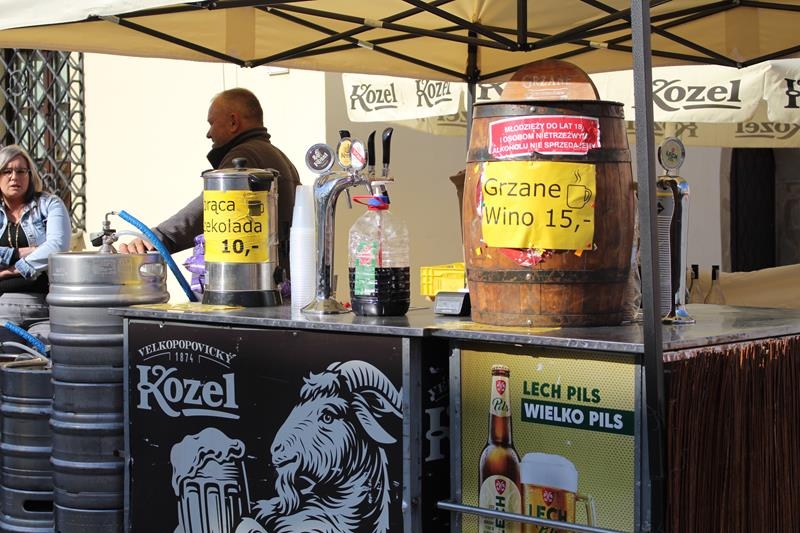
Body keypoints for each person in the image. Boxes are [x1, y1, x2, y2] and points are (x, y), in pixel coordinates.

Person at [120, 88, 301, 282]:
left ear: (233, 122)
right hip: (280, 284)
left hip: (247, 285)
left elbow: (212, 206)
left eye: (212, 123)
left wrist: (157, 237)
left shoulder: (243, 157)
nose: (208, 133)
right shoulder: (280, 157)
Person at [0, 144, 72, 345]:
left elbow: (57, 247)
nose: (14, 177)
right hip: (2, 305)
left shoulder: (49, 204)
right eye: (6, 171)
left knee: (46, 354)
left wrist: (12, 270)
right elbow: (47, 250)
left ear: (30, 175)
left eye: (21, 171)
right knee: (8, 356)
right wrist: (20, 253)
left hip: (44, 305)